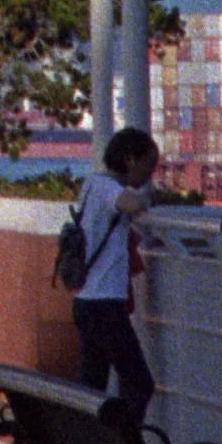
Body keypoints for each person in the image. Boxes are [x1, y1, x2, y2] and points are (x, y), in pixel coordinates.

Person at [65, 125, 161, 424]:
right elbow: (132, 204)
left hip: (87, 301)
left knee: (92, 387)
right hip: (105, 305)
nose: (149, 174)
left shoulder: (92, 184)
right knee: (139, 383)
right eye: (148, 165)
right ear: (130, 159)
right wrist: (147, 197)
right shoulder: (108, 187)